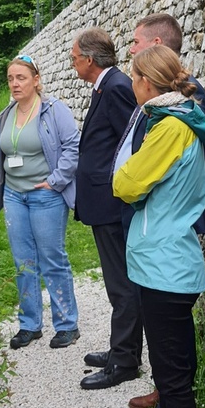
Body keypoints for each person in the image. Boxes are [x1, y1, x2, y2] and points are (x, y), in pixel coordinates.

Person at [113, 45, 205, 408]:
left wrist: (130, 180)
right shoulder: (179, 120)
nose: (131, 84)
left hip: (166, 269)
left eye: (133, 77)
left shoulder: (169, 127)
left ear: (145, 82)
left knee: (174, 383)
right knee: (168, 374)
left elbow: (126, 184)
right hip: (165, 264)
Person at [0, 54, 81, 349]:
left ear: (36, 80)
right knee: (23, 262)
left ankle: (67, 325)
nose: (14, 83)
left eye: (21, 78)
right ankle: (29, 324)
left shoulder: (54, 110)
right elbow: (5, 155)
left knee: (52, 259)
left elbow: (73, 147)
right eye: (10, 78)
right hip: (14, 196)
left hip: (46, 196)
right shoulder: (7, 114)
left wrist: (55, 181)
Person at [72, 28, 143, 389]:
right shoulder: (106, 86)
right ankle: (121, 349)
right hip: (104, 201)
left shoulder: (115, 87)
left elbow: (132, 142)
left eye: (75, 58)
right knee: (117, 282)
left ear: (89, 58)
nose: (72, 63)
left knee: (122, 284)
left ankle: (125, 361)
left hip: (112, 203)